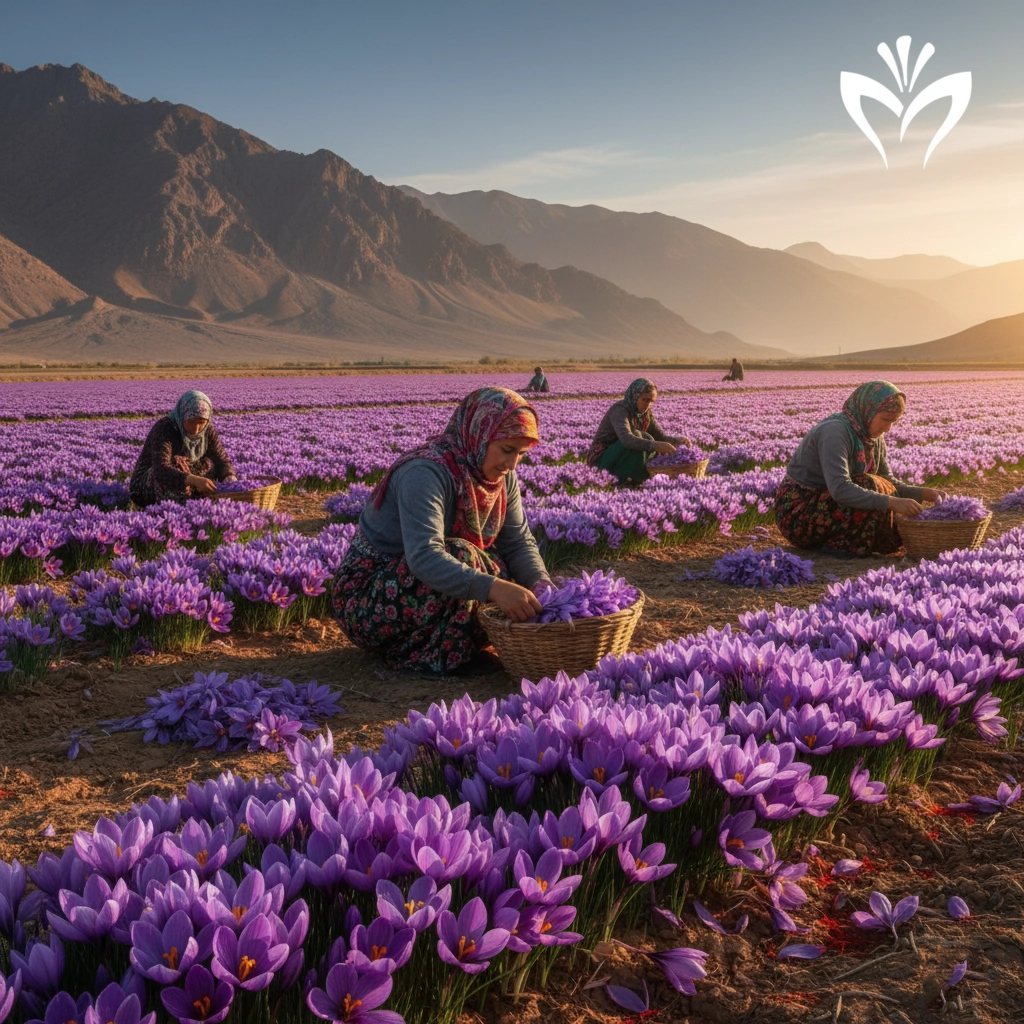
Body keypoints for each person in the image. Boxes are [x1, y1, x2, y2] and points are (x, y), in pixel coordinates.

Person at [332, 387, 552, 679]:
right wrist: (495, 588)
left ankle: (447, 647)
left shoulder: (501, 478)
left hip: (417, 592)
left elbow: (518, 542)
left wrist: (543, 587)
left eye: (521, 454)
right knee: (468, 559)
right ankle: (425, 654)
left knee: (499, 566)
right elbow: (424, 556)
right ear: (479, 434)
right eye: (506, 450)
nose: (512, 464)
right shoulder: (426, 472)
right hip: (368, 600)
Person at [774, 380, 944, 557]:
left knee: (879, 486)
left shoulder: (872, 435)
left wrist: (924, 493)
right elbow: (840, 488)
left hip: (828, 504)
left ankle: (849, 541)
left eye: (893, 422)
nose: (887, 428)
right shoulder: (835, 432)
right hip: (799, 512)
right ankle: (841, 545)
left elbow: (888, 480)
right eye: (885, 419)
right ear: (869, 410)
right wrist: (891, 502)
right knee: (871, 485)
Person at [128, 390, 236, 507]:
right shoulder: (165, 428)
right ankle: (173, 510)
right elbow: (161, 469)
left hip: (187, 476)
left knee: (210, 464)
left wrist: (229, 476)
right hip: (149, 483)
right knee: (176, 465)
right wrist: (193, 480)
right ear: (182, 415)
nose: (196, 428)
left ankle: (201, 502)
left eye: (201, 422)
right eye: (191, 421)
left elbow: (220, 458)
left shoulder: (208, 431)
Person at [585, 377, 689, 485]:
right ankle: (622, 479)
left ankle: (637, 479)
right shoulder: (620, 410)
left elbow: (660, 437)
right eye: (645, 399)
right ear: (635, 396)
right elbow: (627, 439)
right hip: (602, 461)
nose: (648, 404)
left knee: (648, 438)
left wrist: (677, 441)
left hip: (622, 457)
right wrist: (656, 446)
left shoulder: (645, 414)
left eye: (651, 401)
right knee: (640, 436)